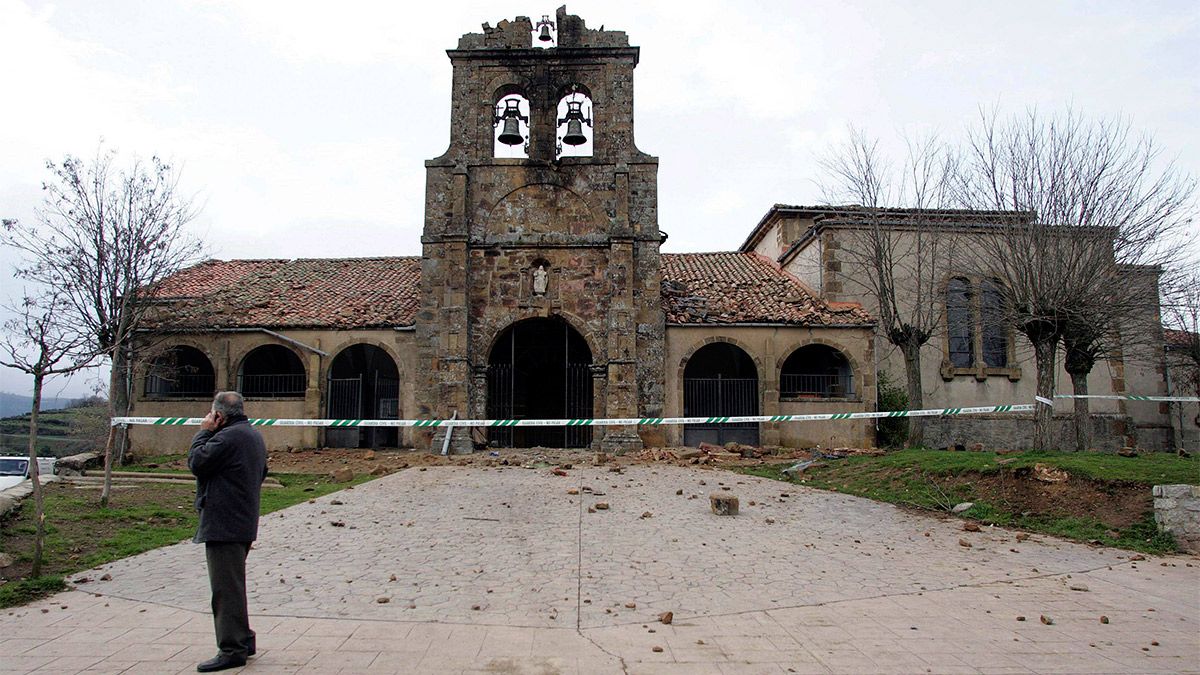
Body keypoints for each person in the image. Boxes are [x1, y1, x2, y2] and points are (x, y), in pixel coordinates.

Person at [189, 391, 268, 672]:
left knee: (225, 590)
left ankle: (231, 649)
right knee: (233, 585)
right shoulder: (252, 435)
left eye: (212, 415)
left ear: (219, 416)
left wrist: (202, 433)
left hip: (225, 523)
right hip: (242, 520)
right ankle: (244, 639)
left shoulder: (225, 438)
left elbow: (197, 463)